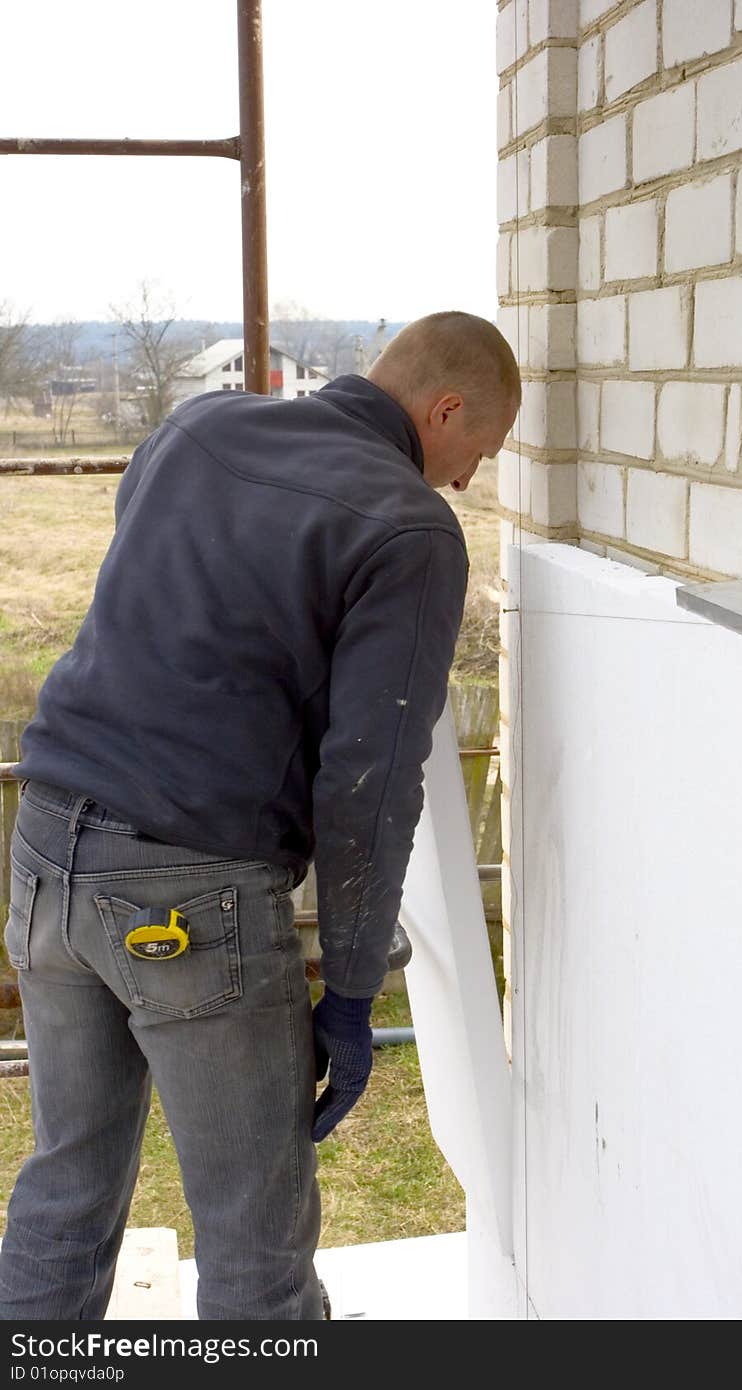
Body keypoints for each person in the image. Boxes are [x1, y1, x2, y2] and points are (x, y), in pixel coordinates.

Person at [0, 310, 521, 1322]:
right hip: (186, 891)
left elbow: (154, 610)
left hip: (45, 844)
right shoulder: (408, 526)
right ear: (443, 408)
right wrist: (352, 994)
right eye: (477, 453)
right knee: (254, 1237)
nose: (464, 479)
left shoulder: (196, 429)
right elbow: (369, 785)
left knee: (66, 1186)